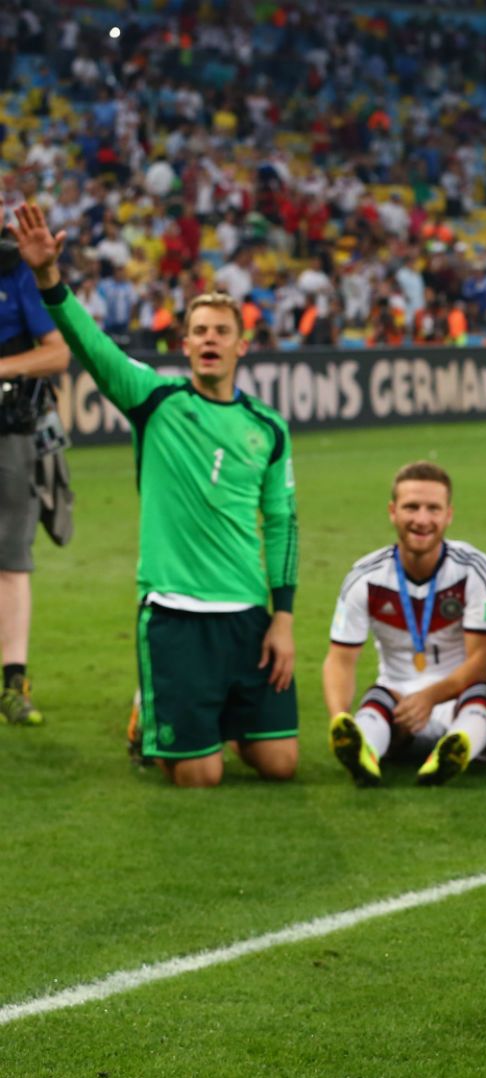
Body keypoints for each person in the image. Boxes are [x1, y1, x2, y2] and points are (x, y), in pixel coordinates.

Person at [10, 203, 298, 787]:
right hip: (175, 612)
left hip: (246, 614)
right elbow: (89, 344)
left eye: (222, 332)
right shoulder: (154, 399)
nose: (210, 341)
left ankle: (195, 712)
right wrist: (47, 277)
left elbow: (282, 522)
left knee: (281, 765)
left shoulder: (268, 427)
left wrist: (283, 619)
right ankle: (155, 708)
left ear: (242, 347)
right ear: (185, 345)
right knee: (201, 778)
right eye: (200, 333)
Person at [322, 462, 486, 787]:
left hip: (458, 697)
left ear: (448, 514)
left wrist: (431, 697)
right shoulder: (365, 576)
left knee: (482, 694)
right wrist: (340, 716)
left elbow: (483, 660)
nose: (421, 520)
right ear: (393, 512)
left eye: (432, 509)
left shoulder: (475, 569)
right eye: (411, 507)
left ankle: (451, 753)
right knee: (376, 702)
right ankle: (361, 748)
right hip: (399, 704)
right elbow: (340, 659)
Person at [0, 216, 72, 726]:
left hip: (10, 430)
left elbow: (57, 352)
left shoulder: (15, 268)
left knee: (10, 559)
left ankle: (12, 684)